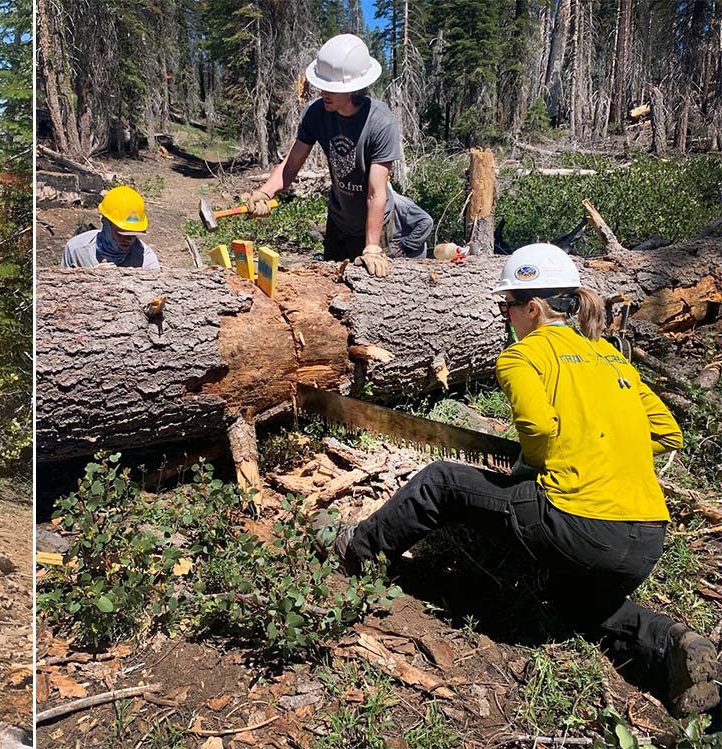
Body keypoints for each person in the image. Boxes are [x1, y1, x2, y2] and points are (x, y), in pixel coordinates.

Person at [323, 243, 720, 718]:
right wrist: (606, 447)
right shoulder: (611, 358)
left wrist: (533, 467)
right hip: (646, 541)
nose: (504, 315)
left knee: (442, 482)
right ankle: (670, 643)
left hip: (580, 525)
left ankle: (356, 550)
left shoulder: (522, 357)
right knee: (573, 602)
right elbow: (667, 432)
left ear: (531, 308)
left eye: (506, 305)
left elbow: (538, 432)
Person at [246, 33, 433, 276]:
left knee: (371, 293)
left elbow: (376, 193)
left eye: (332, 88)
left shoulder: (380, 122)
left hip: (373, 223)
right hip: (338, 219)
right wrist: (265, 192)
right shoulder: (317, 114)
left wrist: (373, 247)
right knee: (331, 286)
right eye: (322, 85)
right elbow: (291, 166)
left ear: (354, 88)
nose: (323, 92)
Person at [61, 185, 160, 268]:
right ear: (106, 224)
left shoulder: (145, 261)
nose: (129, 239)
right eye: (122, 233)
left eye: (134, 233)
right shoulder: (76, 250)